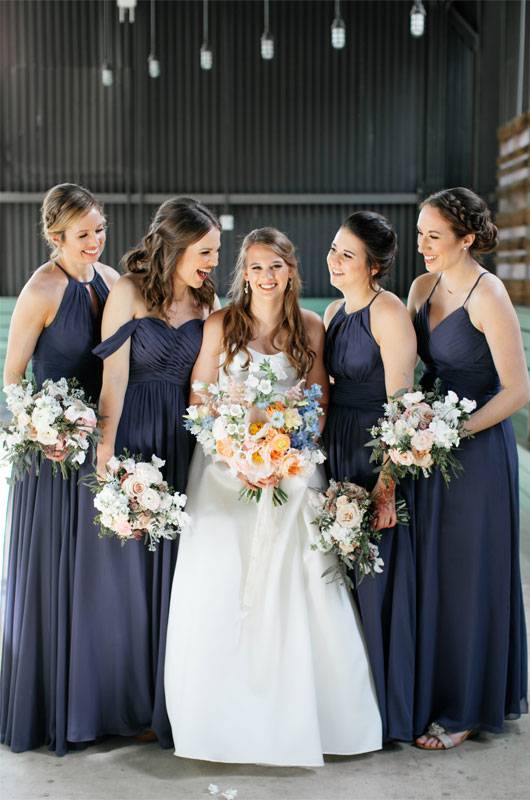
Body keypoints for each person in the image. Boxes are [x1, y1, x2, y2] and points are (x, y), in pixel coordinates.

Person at [164, 227, 382, 767]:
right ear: (244, 272)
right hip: (224, 472)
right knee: (221, 577)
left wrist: (285, 455)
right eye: (257, 267)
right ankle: (219, 717)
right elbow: (200, 392)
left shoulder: (310, 325)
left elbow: (319, 401)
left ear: (290, 271)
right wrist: (235, 451)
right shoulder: (222, 323)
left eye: (276, 266)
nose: (266, 276)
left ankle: (304, 716)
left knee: (299, 580)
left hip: (290, 469)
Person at [85, 197, 221, 748]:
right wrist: (107, 456)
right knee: (129, 574)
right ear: (177, 245)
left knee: (181, 576)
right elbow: (112, 379)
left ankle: (171, 700)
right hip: (137, 434)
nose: (214, 260)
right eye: (206, 250)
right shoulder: (128, 292)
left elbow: (212, 379)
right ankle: (128, 699)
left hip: (186, 442)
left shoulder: (209, 298)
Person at [408, 187, 529, 749]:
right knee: (432, 569)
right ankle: (430, 691)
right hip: (425, 448)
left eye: (435, 236)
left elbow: (517, 391)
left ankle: (467, 707)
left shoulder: (489, 295)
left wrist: (454, 431)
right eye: (420, 234)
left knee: (468, 572)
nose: (423, 245)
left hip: (476, 452)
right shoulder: (421, 287)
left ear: (467, 239)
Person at [0, 183, 118, 755]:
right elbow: (12, 376)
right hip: (50, 457)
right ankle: (48, 704)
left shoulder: (110, 281)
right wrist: (42, 429)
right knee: (52, 570)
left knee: (92, 575)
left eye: (99, 229)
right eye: (83, 234)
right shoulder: (41, 289)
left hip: (96, 450)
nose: (94, 241)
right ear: (55, 237)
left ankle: (92, 700)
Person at [323, 211, 417, 742]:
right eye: (334, 249)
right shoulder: (336, 310)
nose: (334, 260)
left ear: (374, 266)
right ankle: (346, 706)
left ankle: (384, 710)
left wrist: (386, 485)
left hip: (373, 448)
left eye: (347, 255)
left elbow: (400, 407)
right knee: (337, 578)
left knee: (375, 576)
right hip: (337, 443)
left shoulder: (389, 312)